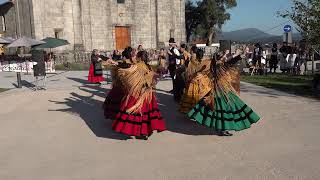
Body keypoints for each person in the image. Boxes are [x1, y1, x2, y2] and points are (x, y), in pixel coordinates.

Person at [188, 49, 260, 136]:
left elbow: (227, 62)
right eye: (224, 56)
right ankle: (222, 129)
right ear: (220, 58)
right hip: (222, 91)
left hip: (219, 89)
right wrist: (237, 56)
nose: (225, 57)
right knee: (226, 108)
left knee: (218, 109)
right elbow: (229, 63)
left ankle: (219, 127)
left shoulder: (214, 64)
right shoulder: (219, 66)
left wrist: (235, 56)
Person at [111, 51, 166, 140]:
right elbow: (153, 77)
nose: (135, 57)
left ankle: (140, 132)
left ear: (140, 57)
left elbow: (127, 67)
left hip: (138, 94)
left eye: (137, 56)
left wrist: (116, 63)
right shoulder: (149, 66)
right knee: (146, 113)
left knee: (136, 112)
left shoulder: (138, 65)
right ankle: (145, 131)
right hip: (148, 93)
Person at [103, 47, 134, 120]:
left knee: (117, 101)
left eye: (122, 56)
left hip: (120, 85)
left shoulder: (123, 64)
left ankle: (118, 116)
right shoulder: (133, 63)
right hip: (129, 86)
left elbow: (115, 65)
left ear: (124, 56)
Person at [179, 48, 212, 113]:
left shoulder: (192, 62)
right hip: (200, 81)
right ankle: (197, 111)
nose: (191, 53)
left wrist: (188, 79)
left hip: (194, 81)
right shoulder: (205, 62)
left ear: (195, 54)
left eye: (192, 52)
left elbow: (189, 72)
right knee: (199, 96)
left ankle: (191, 110)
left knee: (192, 96)